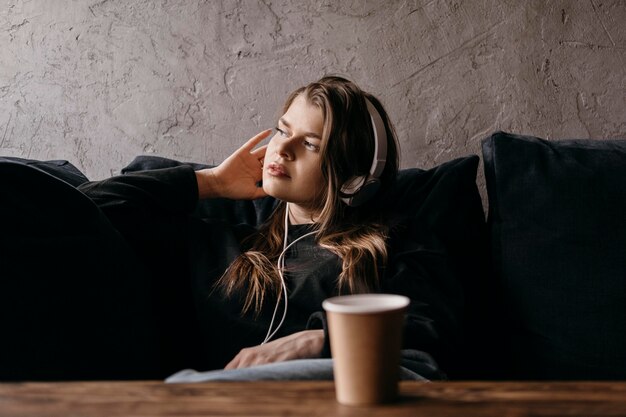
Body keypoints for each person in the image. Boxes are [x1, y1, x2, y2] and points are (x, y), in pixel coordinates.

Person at [74, 76, 463, 381]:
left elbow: (433, 329)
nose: (283, 147)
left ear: (352, 179)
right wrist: (210, 182)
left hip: (342, 387)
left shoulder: (391, 241)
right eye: (282, 129)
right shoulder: (225, 231)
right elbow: (80, 207)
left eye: (310, 144)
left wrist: (315, 341)